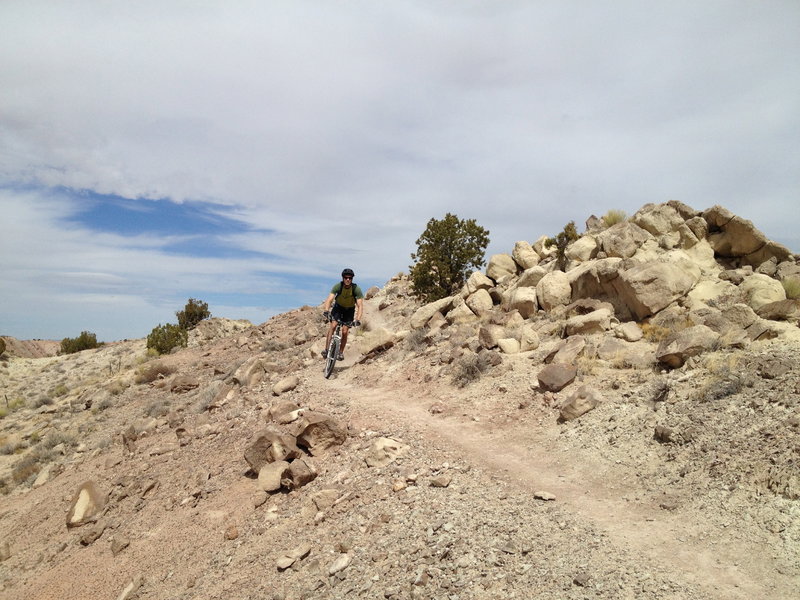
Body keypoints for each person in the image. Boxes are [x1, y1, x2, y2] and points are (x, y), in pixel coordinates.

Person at [322, 268, 364, 360]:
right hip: (338, 308)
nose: (348, 279)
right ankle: (326, 349)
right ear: (343, 278)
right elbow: (330, 299)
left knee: (345, 331)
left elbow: (360, 305)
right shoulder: (338, 286)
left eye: (350, 278)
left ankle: (340, 353)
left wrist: (357, 319)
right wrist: (326, 310)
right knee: (333, 325)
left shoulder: (356, 289)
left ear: (352, 279)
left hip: (349, 310)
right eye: (346, 278)